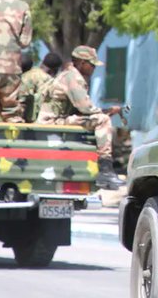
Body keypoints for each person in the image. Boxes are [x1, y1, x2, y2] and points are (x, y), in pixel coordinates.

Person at [37, 46, 125, 190]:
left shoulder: (70, 75)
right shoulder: (72, 77)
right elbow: (86, 107)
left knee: (101, 117)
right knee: (103, 120)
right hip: (53, 121)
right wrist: (105, 112)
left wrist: (106, 110)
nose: (93, 68)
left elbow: (83, 109)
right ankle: (105, 169)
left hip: (57, 119)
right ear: (81, 63)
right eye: (92, 65)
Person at [10, 50, 61, 123]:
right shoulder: (51, 81)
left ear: (41, 64)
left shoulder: (27, 75)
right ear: (54, 71)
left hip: (20, 120)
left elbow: (21, 100)